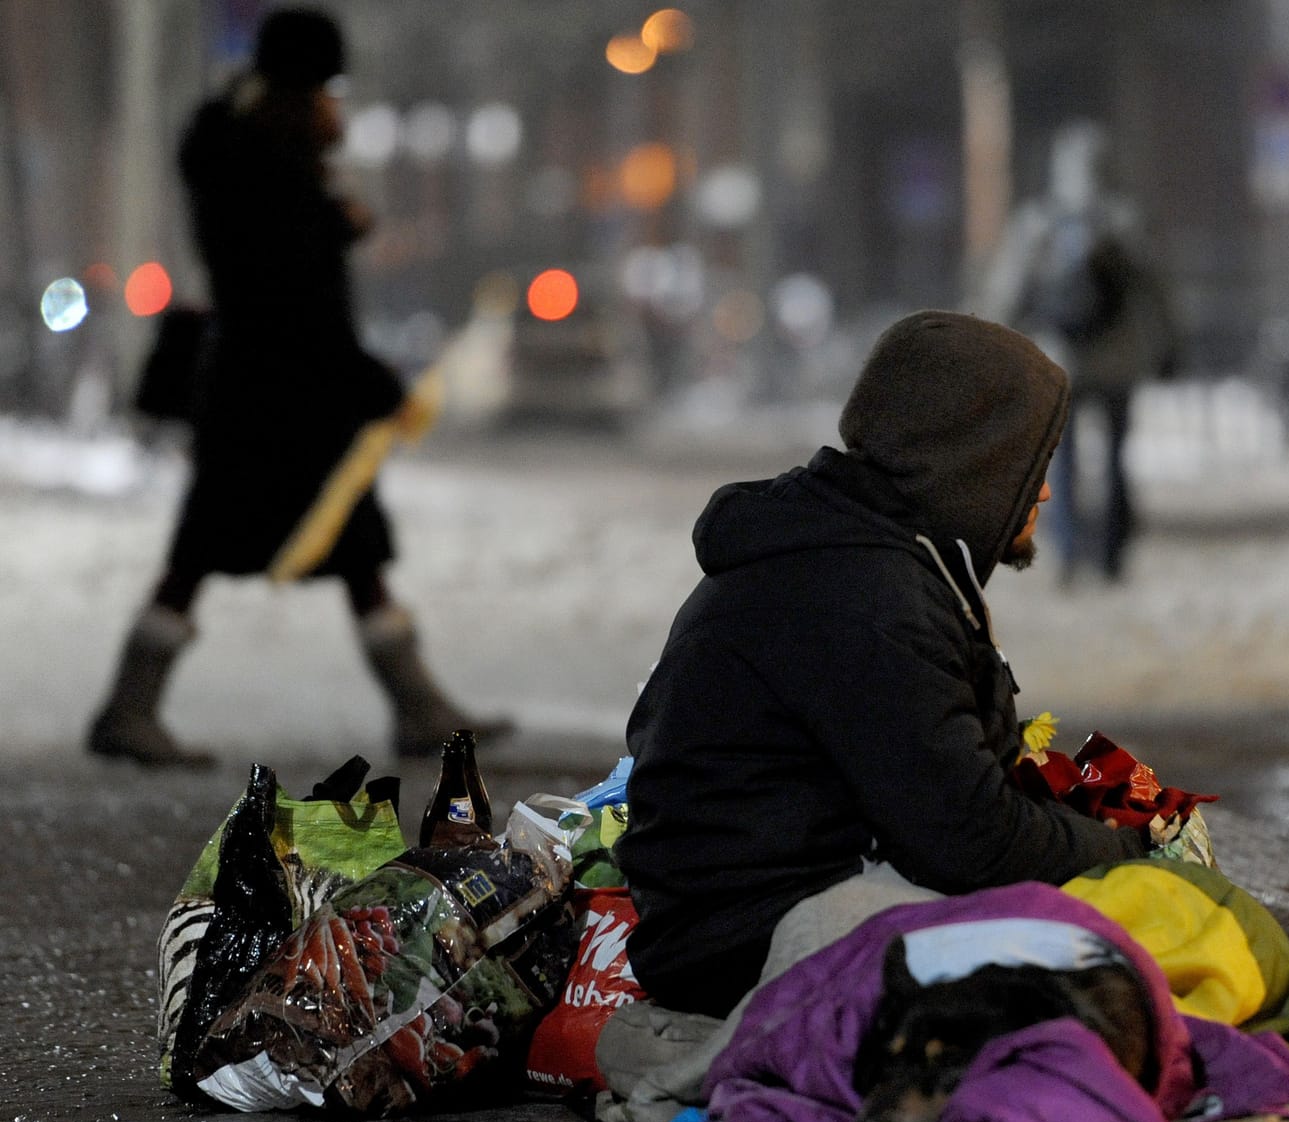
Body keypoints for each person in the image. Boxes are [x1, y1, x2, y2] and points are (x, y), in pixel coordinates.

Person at [613, 311, 1161, 1019]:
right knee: (1100, 966)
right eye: (1037, 461)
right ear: (975, 457)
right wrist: (1128, 850)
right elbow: (975, 844)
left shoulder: (865, 554)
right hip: (750, 945)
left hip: (758, 916)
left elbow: (954, 803)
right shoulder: (866, 595)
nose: (1046, 491)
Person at [87, 7, 503, 767]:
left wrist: (329, 223)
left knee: (341, 551)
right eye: (327, 87)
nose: (334, 105)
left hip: (262, 394)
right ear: (305, 88)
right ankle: (128, 710)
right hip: (276, 399)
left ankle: (414, 707)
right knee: (229, 550)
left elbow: (266, 260)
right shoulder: (275, 171)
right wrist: (369, 376)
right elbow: (293, 296)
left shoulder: (238, 152)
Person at [976, 122, 1178, 584]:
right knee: (1114, 455)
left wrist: (991, 345)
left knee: (1060, 459)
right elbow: (1157, 292)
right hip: (1120, 358)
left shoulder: (1040, 222)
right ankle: (1111, 553)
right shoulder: (1125, 220)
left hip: (1060, 359)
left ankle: (1066, 552)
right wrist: (1169, 346)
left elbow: (1008, 291)